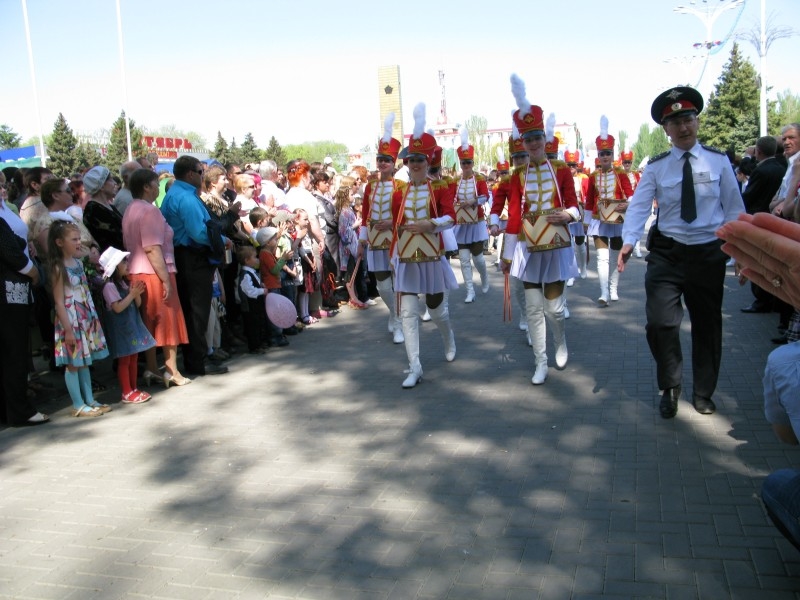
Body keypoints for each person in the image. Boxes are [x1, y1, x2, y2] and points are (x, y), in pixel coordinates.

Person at [619, 85, 744, 418]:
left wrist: (742, 254)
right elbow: (639, 206)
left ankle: (703, 391)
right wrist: (629, 240)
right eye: (675, 123)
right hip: (668, 254)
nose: (683, 127)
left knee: (707, 325)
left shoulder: (718, 162)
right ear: (666, 130)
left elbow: (734, 209)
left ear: (697, 121)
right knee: (660, 323)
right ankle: (670, 385)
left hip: (708, 253)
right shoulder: (657, 167)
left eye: (688, 118)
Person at [502, 75, 580, 385]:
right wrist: (507, 255)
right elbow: (514, 215)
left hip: (556, 246)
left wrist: (568, 215)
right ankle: (540, 361)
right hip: (527, 247)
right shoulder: (517, 175)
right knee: (533, 308)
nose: (533, 144)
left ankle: (560, 340)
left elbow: (576, 204)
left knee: (554, 309)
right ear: (522, 142)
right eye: (528, 139)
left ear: (545, 139)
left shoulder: (561, 169)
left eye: (537, 137)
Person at [391, 103, 458, 389]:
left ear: (428, 160)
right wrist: (393, 256)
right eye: (410, 159)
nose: (415, 163)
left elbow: (450, 217)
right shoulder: (398, 193)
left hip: (432, 257)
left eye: (419, 158)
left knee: (437, 310)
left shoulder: (441, 188)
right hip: (407, 259)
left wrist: (432, 224)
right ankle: (414, 366)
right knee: (407, 312)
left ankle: (448, 336)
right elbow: (396, 227)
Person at [160, 156, 228, 377]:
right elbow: (198, 232)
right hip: (192, 256)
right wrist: (221, 240)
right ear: (190, 174)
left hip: (185, 256)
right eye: (200, 172)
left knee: (194, 311)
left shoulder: (177, 194)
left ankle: (197, 357)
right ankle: (197, 361)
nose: (203, 176)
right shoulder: (186, 198)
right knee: (197, 312)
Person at [0, 171, 48, 426]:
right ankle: (19, 410)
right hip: (8, 290)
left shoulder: (5, 210)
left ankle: (11, 408)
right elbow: (9, 247)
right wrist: (31, 270)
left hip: (11, 287)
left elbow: (17, 239)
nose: (3, 189)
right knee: (14, 351)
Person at [48, 220, 110, 417]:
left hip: (84, 316)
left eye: (78, 238)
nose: (78, 242)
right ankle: (78, 403)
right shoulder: (58, 267)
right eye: (73, 239)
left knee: (85, 360)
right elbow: (59, 302)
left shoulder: (77, 263)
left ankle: (89, 399)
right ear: (59, 242)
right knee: (74, 362)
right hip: (71, 319)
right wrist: (67, 329)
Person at [360, 113, 405, 341]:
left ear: (394, 162)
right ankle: (394, 314)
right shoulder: (370, 186)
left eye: (387, 159)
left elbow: (407, 214)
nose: (382, 163)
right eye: (380, 158)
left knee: (397, 282)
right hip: (375, 241)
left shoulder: (402, 186)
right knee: (382, 285)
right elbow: (365, 213)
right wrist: (362, 238)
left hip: (396, 239)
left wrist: (393, 223)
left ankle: (398, 323)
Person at [585, 116, 633, 306]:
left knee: (615, 256)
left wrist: (627, 204)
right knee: (601, 258)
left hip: (618, 220)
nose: (605, 156)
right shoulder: (593, 176)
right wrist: (586, 222)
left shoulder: (621, 174)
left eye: (608, 153)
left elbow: (631, 194)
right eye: (602, 153)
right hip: (598, 220)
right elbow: (589, 200)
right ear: (598, 155)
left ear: (612, 154)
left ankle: (613, 287)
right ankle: (603, 292)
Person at [99, 247, 155, 404]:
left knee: (134, 357)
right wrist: (132, 295)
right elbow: (117, 308)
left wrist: (136, 294)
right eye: (123, 261)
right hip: (121, 330)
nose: (127, 263)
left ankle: (134, 388)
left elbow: (137, 304)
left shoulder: (124, 283)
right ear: (115, 266)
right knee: (124, 360)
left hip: (131, 328)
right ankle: (126, 391)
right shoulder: (109, 286)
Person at [740, 135, 788, 315]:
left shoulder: (761, 170)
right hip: (777, 219)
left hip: (757, 217)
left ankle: (761, 300)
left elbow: (749, 196)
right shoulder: (782, 166)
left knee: (756, 260)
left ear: (758, 151)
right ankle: (773, 298)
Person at [453, 126, 490, 303]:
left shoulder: (480, 179)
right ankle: (470, 290)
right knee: (464, 259)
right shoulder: (455, 181)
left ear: (472, 163)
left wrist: (473, 201)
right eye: (463, 163)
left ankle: (484, 277)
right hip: (461, 224)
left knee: (479, 258)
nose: (466, 165)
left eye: (468, 162)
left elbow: (485, 197)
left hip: (476, 222)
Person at [82, 165, 124, 252]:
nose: (114, 183)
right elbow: (114, 239)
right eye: (110, 179)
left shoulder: (109, 206)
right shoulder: (94, 211)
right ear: (101, 186)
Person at [621, 150, 643, 258]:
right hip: (622, 204)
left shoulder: (636, 175)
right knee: (624, 226)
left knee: (635, 225)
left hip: (633, 203)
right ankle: (626, 248)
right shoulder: (618, 174)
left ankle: (637, 248)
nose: (627, 164)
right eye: (625, 162)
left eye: (629, 162)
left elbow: (640, 189)